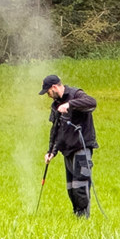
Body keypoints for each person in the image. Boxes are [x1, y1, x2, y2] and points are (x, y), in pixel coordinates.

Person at [40, 73, 98, 218]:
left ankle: (84, 218)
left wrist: (70, 105)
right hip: (67, 150)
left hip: (81, 147)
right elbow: (55, 130)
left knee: (80, 186)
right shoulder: (55, 105)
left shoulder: (76, 94)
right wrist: (51, 151)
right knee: (71, 187)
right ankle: (77, 214)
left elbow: (92, 102)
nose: (48, 95)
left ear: (54, 87)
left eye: (48, 92)